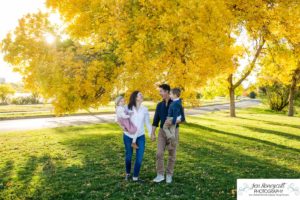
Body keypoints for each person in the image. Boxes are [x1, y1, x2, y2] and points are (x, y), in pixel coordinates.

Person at [151, 84, 185, 184]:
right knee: (159, 153)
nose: (160, 93)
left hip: (173, 131)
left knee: (172, 154)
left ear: (167, 92)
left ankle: (169, 174)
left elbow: (182, 119)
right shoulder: (159, 105)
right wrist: (153, 133)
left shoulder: (176, 103)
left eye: (161, 91)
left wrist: (173, 122)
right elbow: (155, 120)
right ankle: (160, 174)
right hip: (162, 131)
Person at [123, 91, 152, 182]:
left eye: (142, 94)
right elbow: (123, 120)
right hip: (128, 136)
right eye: (140, 94)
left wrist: (151, 134)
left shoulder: (145, 109)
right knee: (129, 156)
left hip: (140, 136)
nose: (142, 95)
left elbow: (147, 123)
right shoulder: (127, 108)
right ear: (135, 97)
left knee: (139, 157)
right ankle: (128, 173)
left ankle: (135, 177)